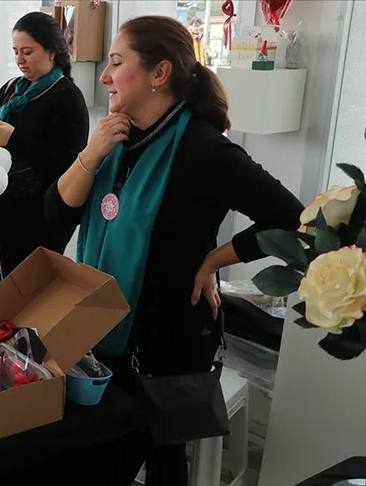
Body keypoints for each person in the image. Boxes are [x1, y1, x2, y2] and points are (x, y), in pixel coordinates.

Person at [45, 16, 303, 486]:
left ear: (159, 74)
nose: (104, 76)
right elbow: (55, 214)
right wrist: (92, 152)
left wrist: (214, 260)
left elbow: (293, 220)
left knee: (158, 461)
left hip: (165, 345)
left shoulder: (206, 151)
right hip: (96, 331)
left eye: (117, 62)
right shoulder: (117, 140)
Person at [0, 12, 89, 274]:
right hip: (1, 209)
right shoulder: (11, 89)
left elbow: (69, 165)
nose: (19, 60)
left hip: (40, 217)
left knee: (29, 294)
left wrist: (14, 139)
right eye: (15, 52)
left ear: (51, 52)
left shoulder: (68, 98)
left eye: (27, 52)